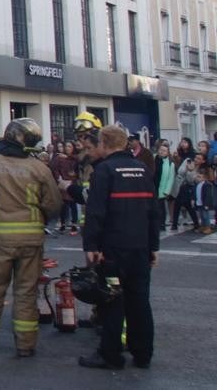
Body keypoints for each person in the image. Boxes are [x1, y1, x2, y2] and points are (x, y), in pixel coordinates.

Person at [0, 118, 62, 358]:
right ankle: (25, 345)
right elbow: (53, 204)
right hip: (31, 242)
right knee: (26, 293)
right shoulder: (39, 168)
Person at [78, 125, 161, 370]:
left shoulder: (104, 170)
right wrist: (153, 246)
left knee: (112, 300)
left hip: (113, 250)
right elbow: (154, 211)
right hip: (140, 248)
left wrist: (91, 245)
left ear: (104, 143)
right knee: (140, 301)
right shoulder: (142, 169)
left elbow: (96, 211)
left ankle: (110, 354)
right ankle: (143, 353)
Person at [51, 141, 80, 234]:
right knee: (63, 204)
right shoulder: (59, 158)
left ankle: (74, 224)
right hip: (62, 182)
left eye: (69, 146)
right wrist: (59, 178)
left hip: (72, 182)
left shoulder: (75, 158)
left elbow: (79, 166)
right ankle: (63, 223)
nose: (67, 148)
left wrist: (75, 177)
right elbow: (54, 168)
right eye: (66, 146)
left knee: (73, 204)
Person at [170, 140, 200, 231]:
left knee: (185, 205)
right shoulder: (187, 160)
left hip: (187, 186)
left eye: (198, 158)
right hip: (180, 185)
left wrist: (190, 170)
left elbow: (191, 179)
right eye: (196, 158)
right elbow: (180, 171)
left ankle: (177, 224)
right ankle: (176, 224)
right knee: (181, 204)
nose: (196, 159)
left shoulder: (197, 166)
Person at [153, 140, 175, 233]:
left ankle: (162, 224)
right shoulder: (153, 159)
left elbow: (170, 178)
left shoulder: (170, 164)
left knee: (161, 208)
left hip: (162, 189)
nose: (162, 152)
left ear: (167, 152)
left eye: (164, 151)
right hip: (152, 186)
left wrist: (167, 191)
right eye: (161, 150)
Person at [195, 167, 215, 235]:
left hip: (204, 204)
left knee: (205, 216)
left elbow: (208, 196)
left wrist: (206, 204)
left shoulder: (206, 185)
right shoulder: (197, 184)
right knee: (201, 216)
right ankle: (203, 226)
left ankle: (208, 227)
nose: (198, 178)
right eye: (197, 176)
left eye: (199, 177)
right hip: (199, 203)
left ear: (204, 178)